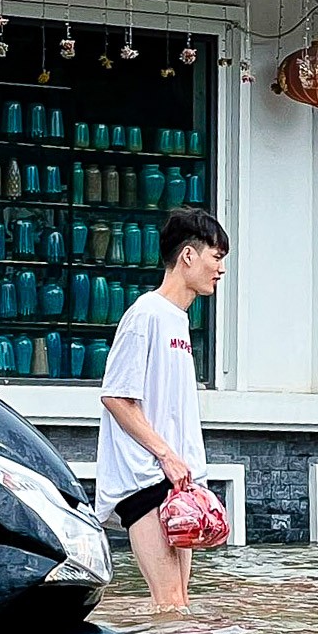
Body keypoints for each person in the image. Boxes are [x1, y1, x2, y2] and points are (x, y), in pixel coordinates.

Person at [95, 206, 230, 611]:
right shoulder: (145, 315)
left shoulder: (177, 320)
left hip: (175, 483)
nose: (221, 269)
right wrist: (166, 455)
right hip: (144, 480)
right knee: (170, 603)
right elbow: (117, 396)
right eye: (216, 257)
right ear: (188, 256)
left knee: (178, 605)